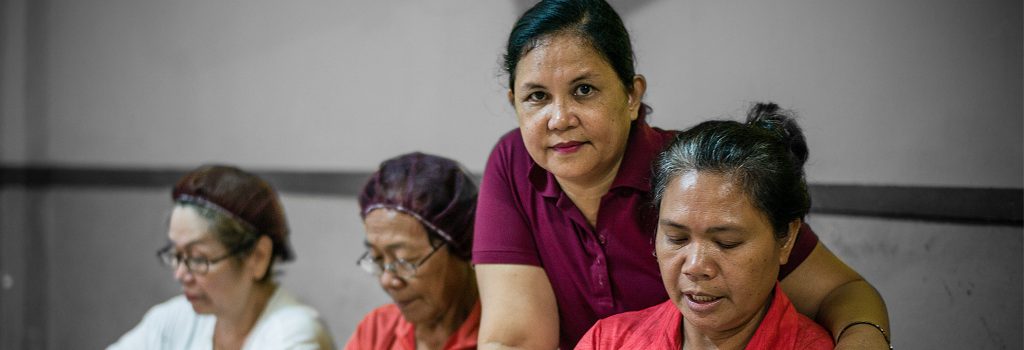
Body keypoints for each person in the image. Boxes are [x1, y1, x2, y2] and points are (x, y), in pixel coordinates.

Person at [472, 1, 890, 349]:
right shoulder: (515, 163)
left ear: (632, 94)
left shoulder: (693, 176)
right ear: (514, 102)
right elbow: (515, 337)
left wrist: (863, 340)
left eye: (584, 90)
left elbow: (842, 293)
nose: (559, 118)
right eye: (536, 96)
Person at [575, 103, 836, 349]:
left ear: (786, 239)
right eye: (677, 238)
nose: (696, 267)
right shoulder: (608, 341)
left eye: (727, 243)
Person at [108, 165, 335, 350]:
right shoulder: (173, 320)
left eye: (198, 259)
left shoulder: (292, 335)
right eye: (176, 254)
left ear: (258, 257)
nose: (180, 274)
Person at [344, 152, 480, 350]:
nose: (387, 280)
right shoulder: (377, 331)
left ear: (463, 244)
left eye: (405, 260)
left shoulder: (505, 336)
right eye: (377, 259)